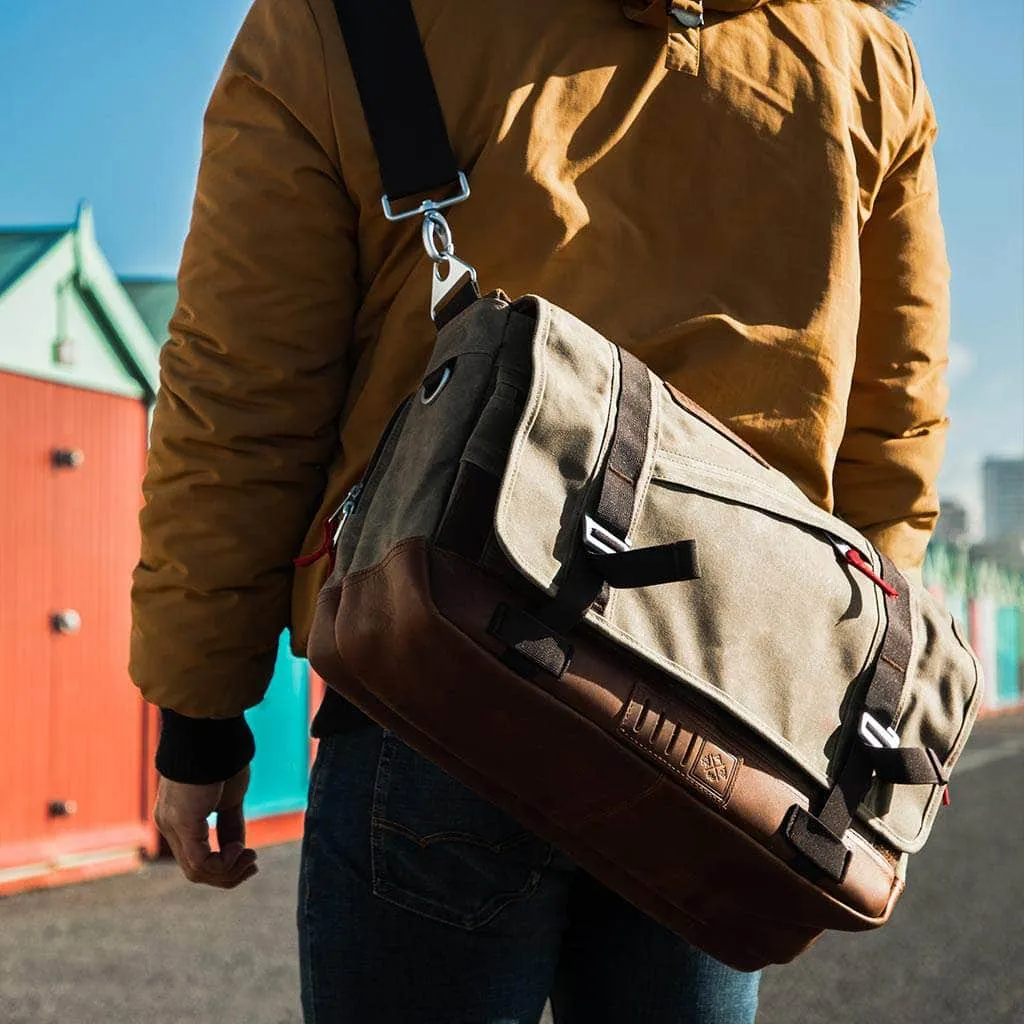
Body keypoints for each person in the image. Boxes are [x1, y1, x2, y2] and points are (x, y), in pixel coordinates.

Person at [131, 0, 949, 1020]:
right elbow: (895, 420)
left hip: (434, 672)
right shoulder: (859, 54)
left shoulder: (351, 21)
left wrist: (201, 715)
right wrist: (816, 690)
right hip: (725, 716)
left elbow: (243, 392)